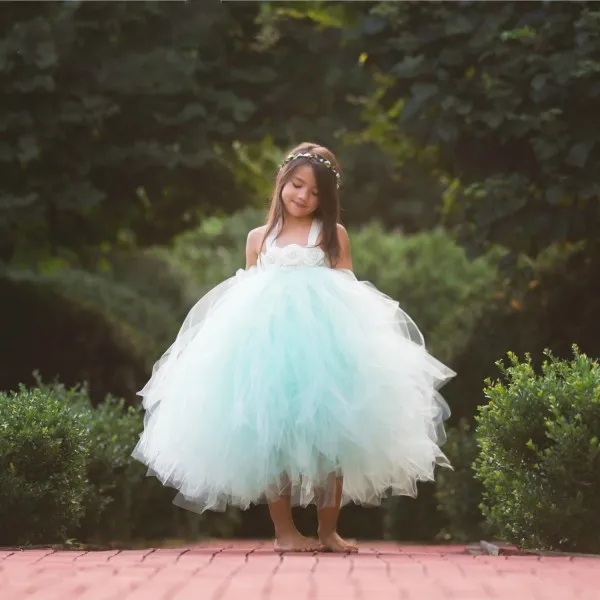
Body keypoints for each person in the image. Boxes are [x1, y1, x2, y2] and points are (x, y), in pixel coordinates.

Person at [132, 142, 455, 553]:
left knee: (332, 438)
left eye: (315, 191)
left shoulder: (332, 234)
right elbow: (246, 291)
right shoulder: (258, 238)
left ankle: (327, 531)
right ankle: (284, 531)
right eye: (297, 185)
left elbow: (348, 288)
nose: (303, 196)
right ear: (282, 182)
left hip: (324, 347)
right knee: (274, 438)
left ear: (328, 198)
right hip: (266, 349)